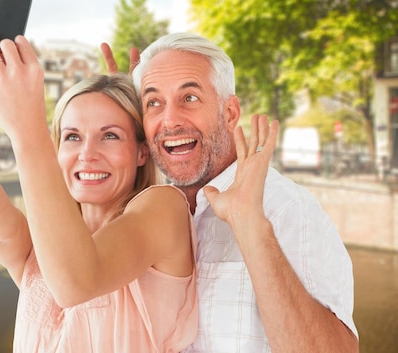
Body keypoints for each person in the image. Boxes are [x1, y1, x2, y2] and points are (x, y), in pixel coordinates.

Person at [0, 30, 203, 352]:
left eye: (111, 136)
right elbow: (2, 234)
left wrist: (26, 129)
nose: (87, 154)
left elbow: (77, 282)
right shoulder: (42, 247)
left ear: (141, 152)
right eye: (72, 136)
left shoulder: (163, 207)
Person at [101, 32, 359, 353]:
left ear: (230, 113)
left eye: (190, 98)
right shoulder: (151, 211)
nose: (169, 120)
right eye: (153, 102)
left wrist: (250, 226)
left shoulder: (287, 209)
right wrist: (115, 127)